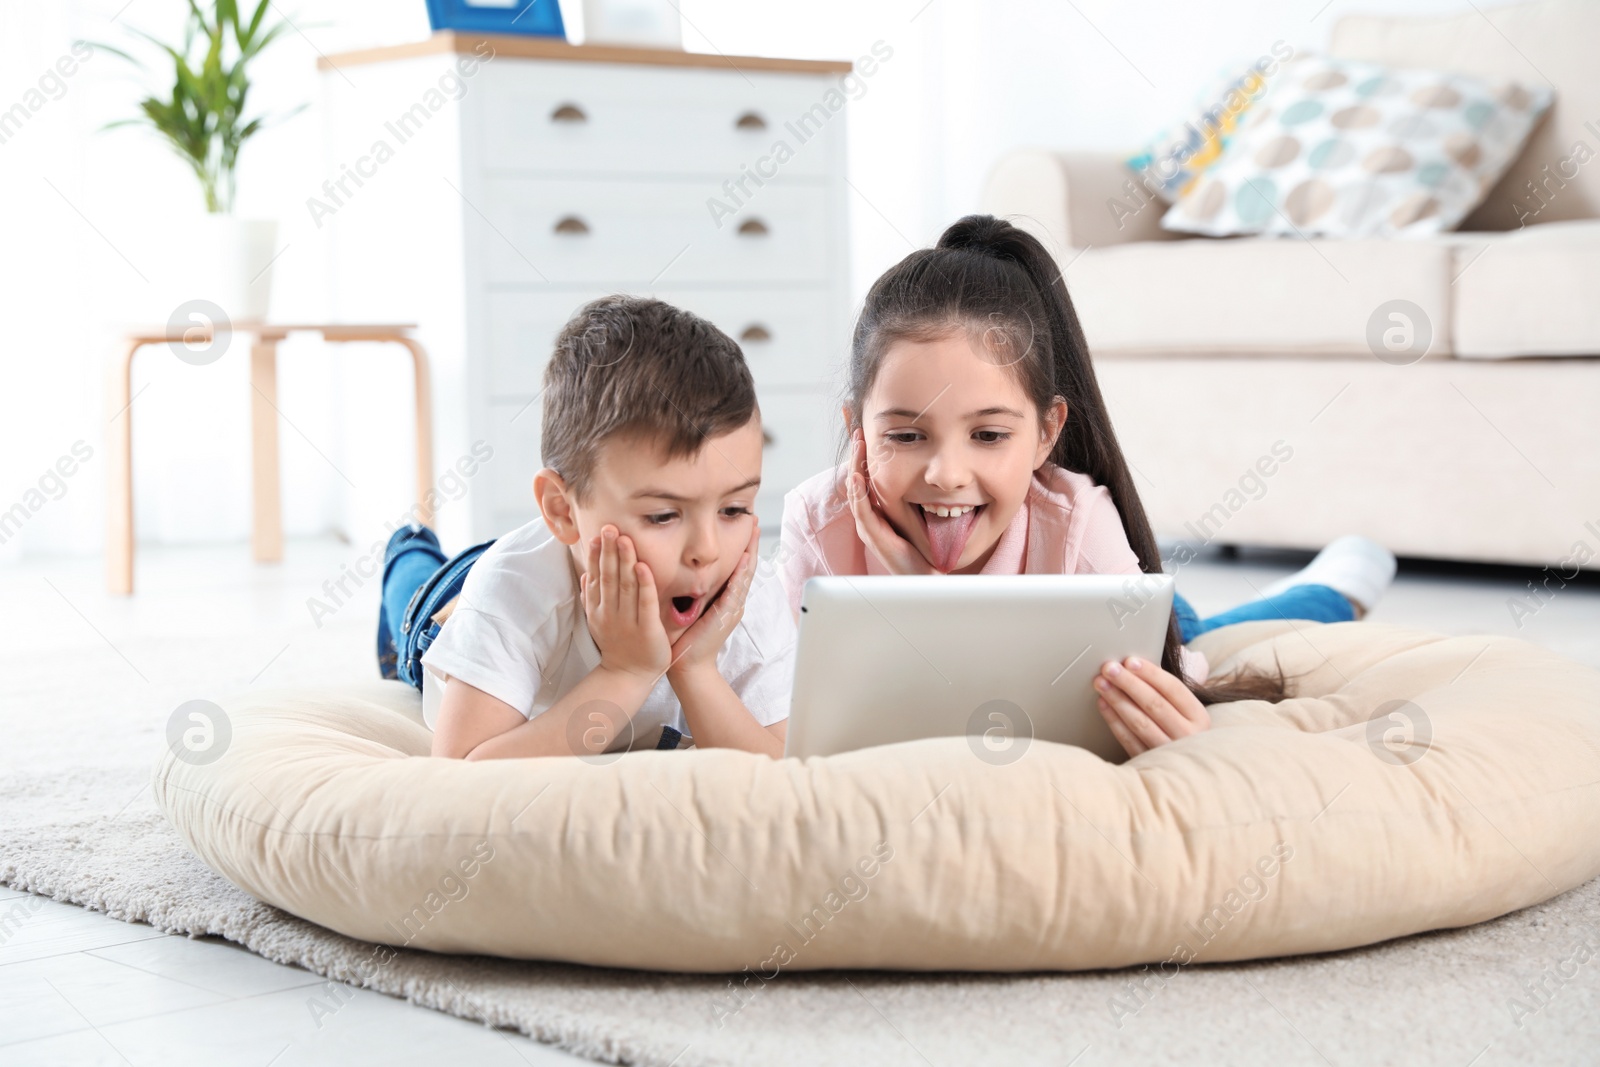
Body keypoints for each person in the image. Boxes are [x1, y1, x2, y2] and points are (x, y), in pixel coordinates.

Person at [778, 214, 1396, 759]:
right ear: (857, 431)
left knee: (1203, 634)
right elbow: (787, 711)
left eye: (989, 436)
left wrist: (1186, 729)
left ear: (1046, 435)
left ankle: (1335, 583)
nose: (945, 473)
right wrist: (918, 598)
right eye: (906, 437)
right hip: (1096, 597)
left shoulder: (1079, 523)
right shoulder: (814, 521)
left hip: (1105, 588)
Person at [378, 295, 794, 759]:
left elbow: (783, 773)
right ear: (561, 509)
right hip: (458, 597)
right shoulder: (512, 593)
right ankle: (407, 549)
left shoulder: (747, 595)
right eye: (663, 515)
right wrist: (626, 672)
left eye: (734, 509)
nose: (707, 550)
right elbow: (464, 773)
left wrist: (694, 669)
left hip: (568, 548)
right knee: (413, 597)